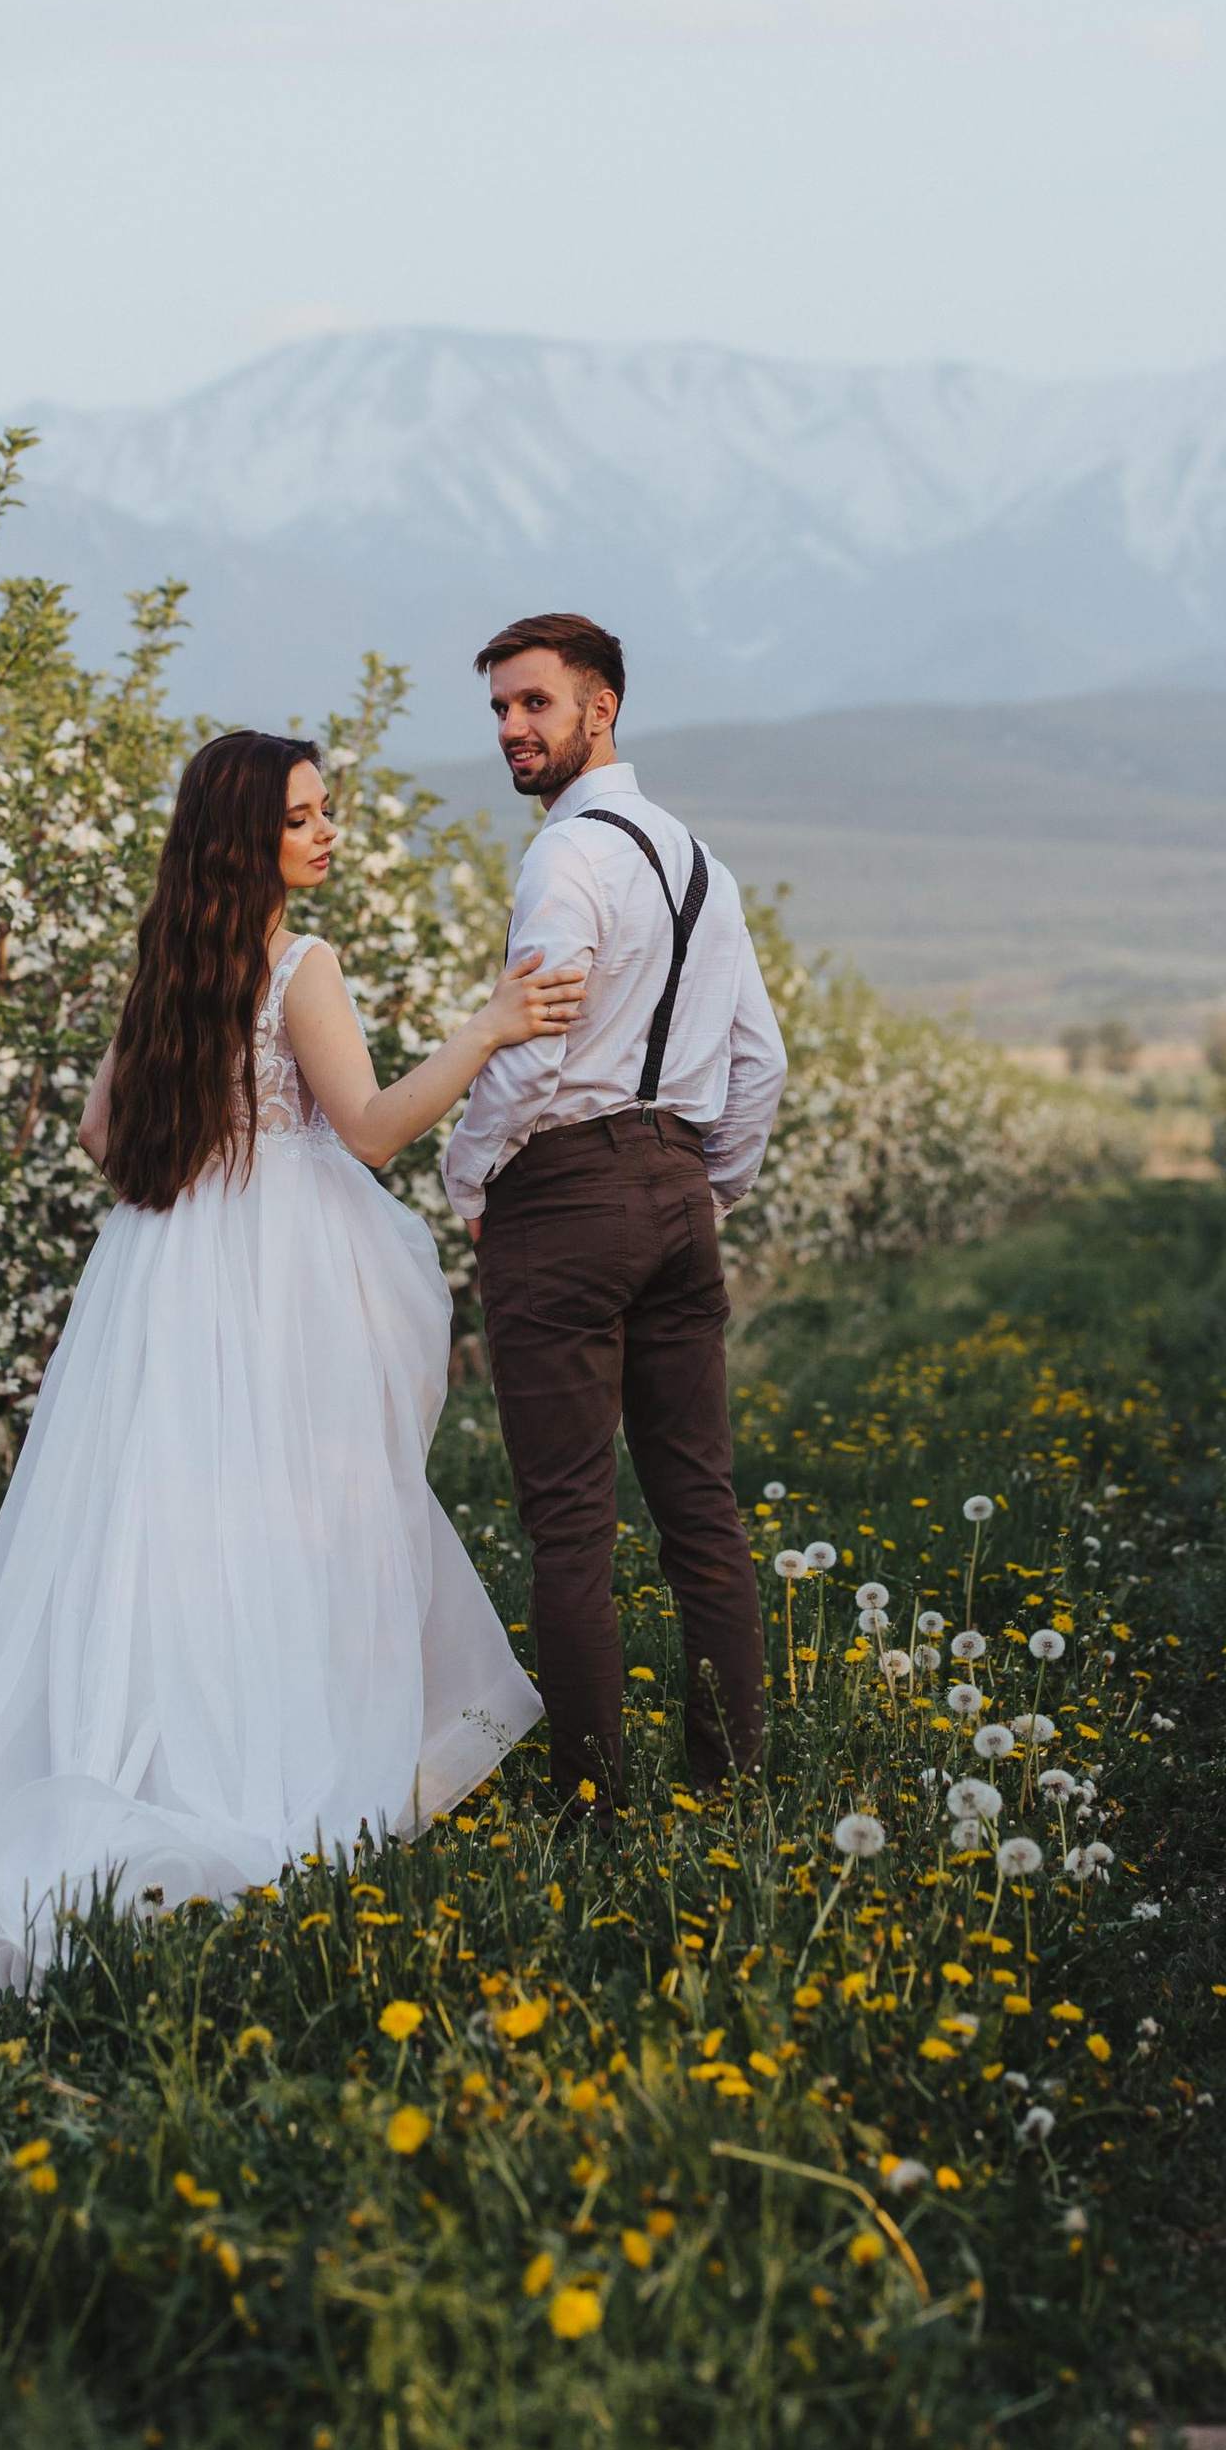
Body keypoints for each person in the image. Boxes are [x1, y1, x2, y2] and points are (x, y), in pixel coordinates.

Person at [0, 730, 565, 2004]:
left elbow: (100, 1132)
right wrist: (488, 1026)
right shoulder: (302, 963)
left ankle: (137, 1742)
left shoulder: (167, 968)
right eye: (301, 819)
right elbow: (365, 1130)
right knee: (295, 1510)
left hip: (161, 1268)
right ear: (246, 838)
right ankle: (263, 1748)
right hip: (277, 1278)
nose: (324, 834)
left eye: (324, 813)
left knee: (155, 1519)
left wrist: (200, 1175)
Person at [444, 614, 787, 1812]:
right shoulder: (703, 862)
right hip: (677, 1188)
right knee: (700, 1502)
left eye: (534, 704)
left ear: (603, 709)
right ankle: (732, 1788)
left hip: (564, 1196)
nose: (510, 731)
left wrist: (471, 1174)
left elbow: (533, 1045)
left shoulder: (566, 857)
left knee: (571, 1524)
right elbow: (761, 1060)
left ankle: (592, 1806)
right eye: (497, 709)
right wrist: (708, 1184)